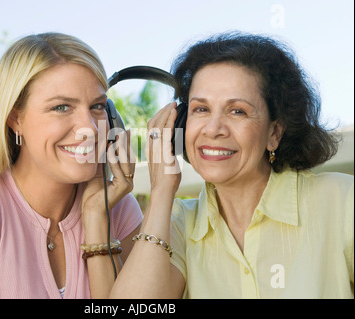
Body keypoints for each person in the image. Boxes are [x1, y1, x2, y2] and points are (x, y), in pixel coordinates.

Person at [110, 32, 354, 298]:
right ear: (180, 124)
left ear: (274, 133)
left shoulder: (342, 201)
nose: (213, 129)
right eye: (201, 109)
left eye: (237, 111)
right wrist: (160, 191)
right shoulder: (176, 223)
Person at [0, 32, 142, 299]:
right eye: (62, 107)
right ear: (15, 119)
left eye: (97, 106)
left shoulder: (119, 210)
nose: (89, 128)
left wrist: (98, 219)